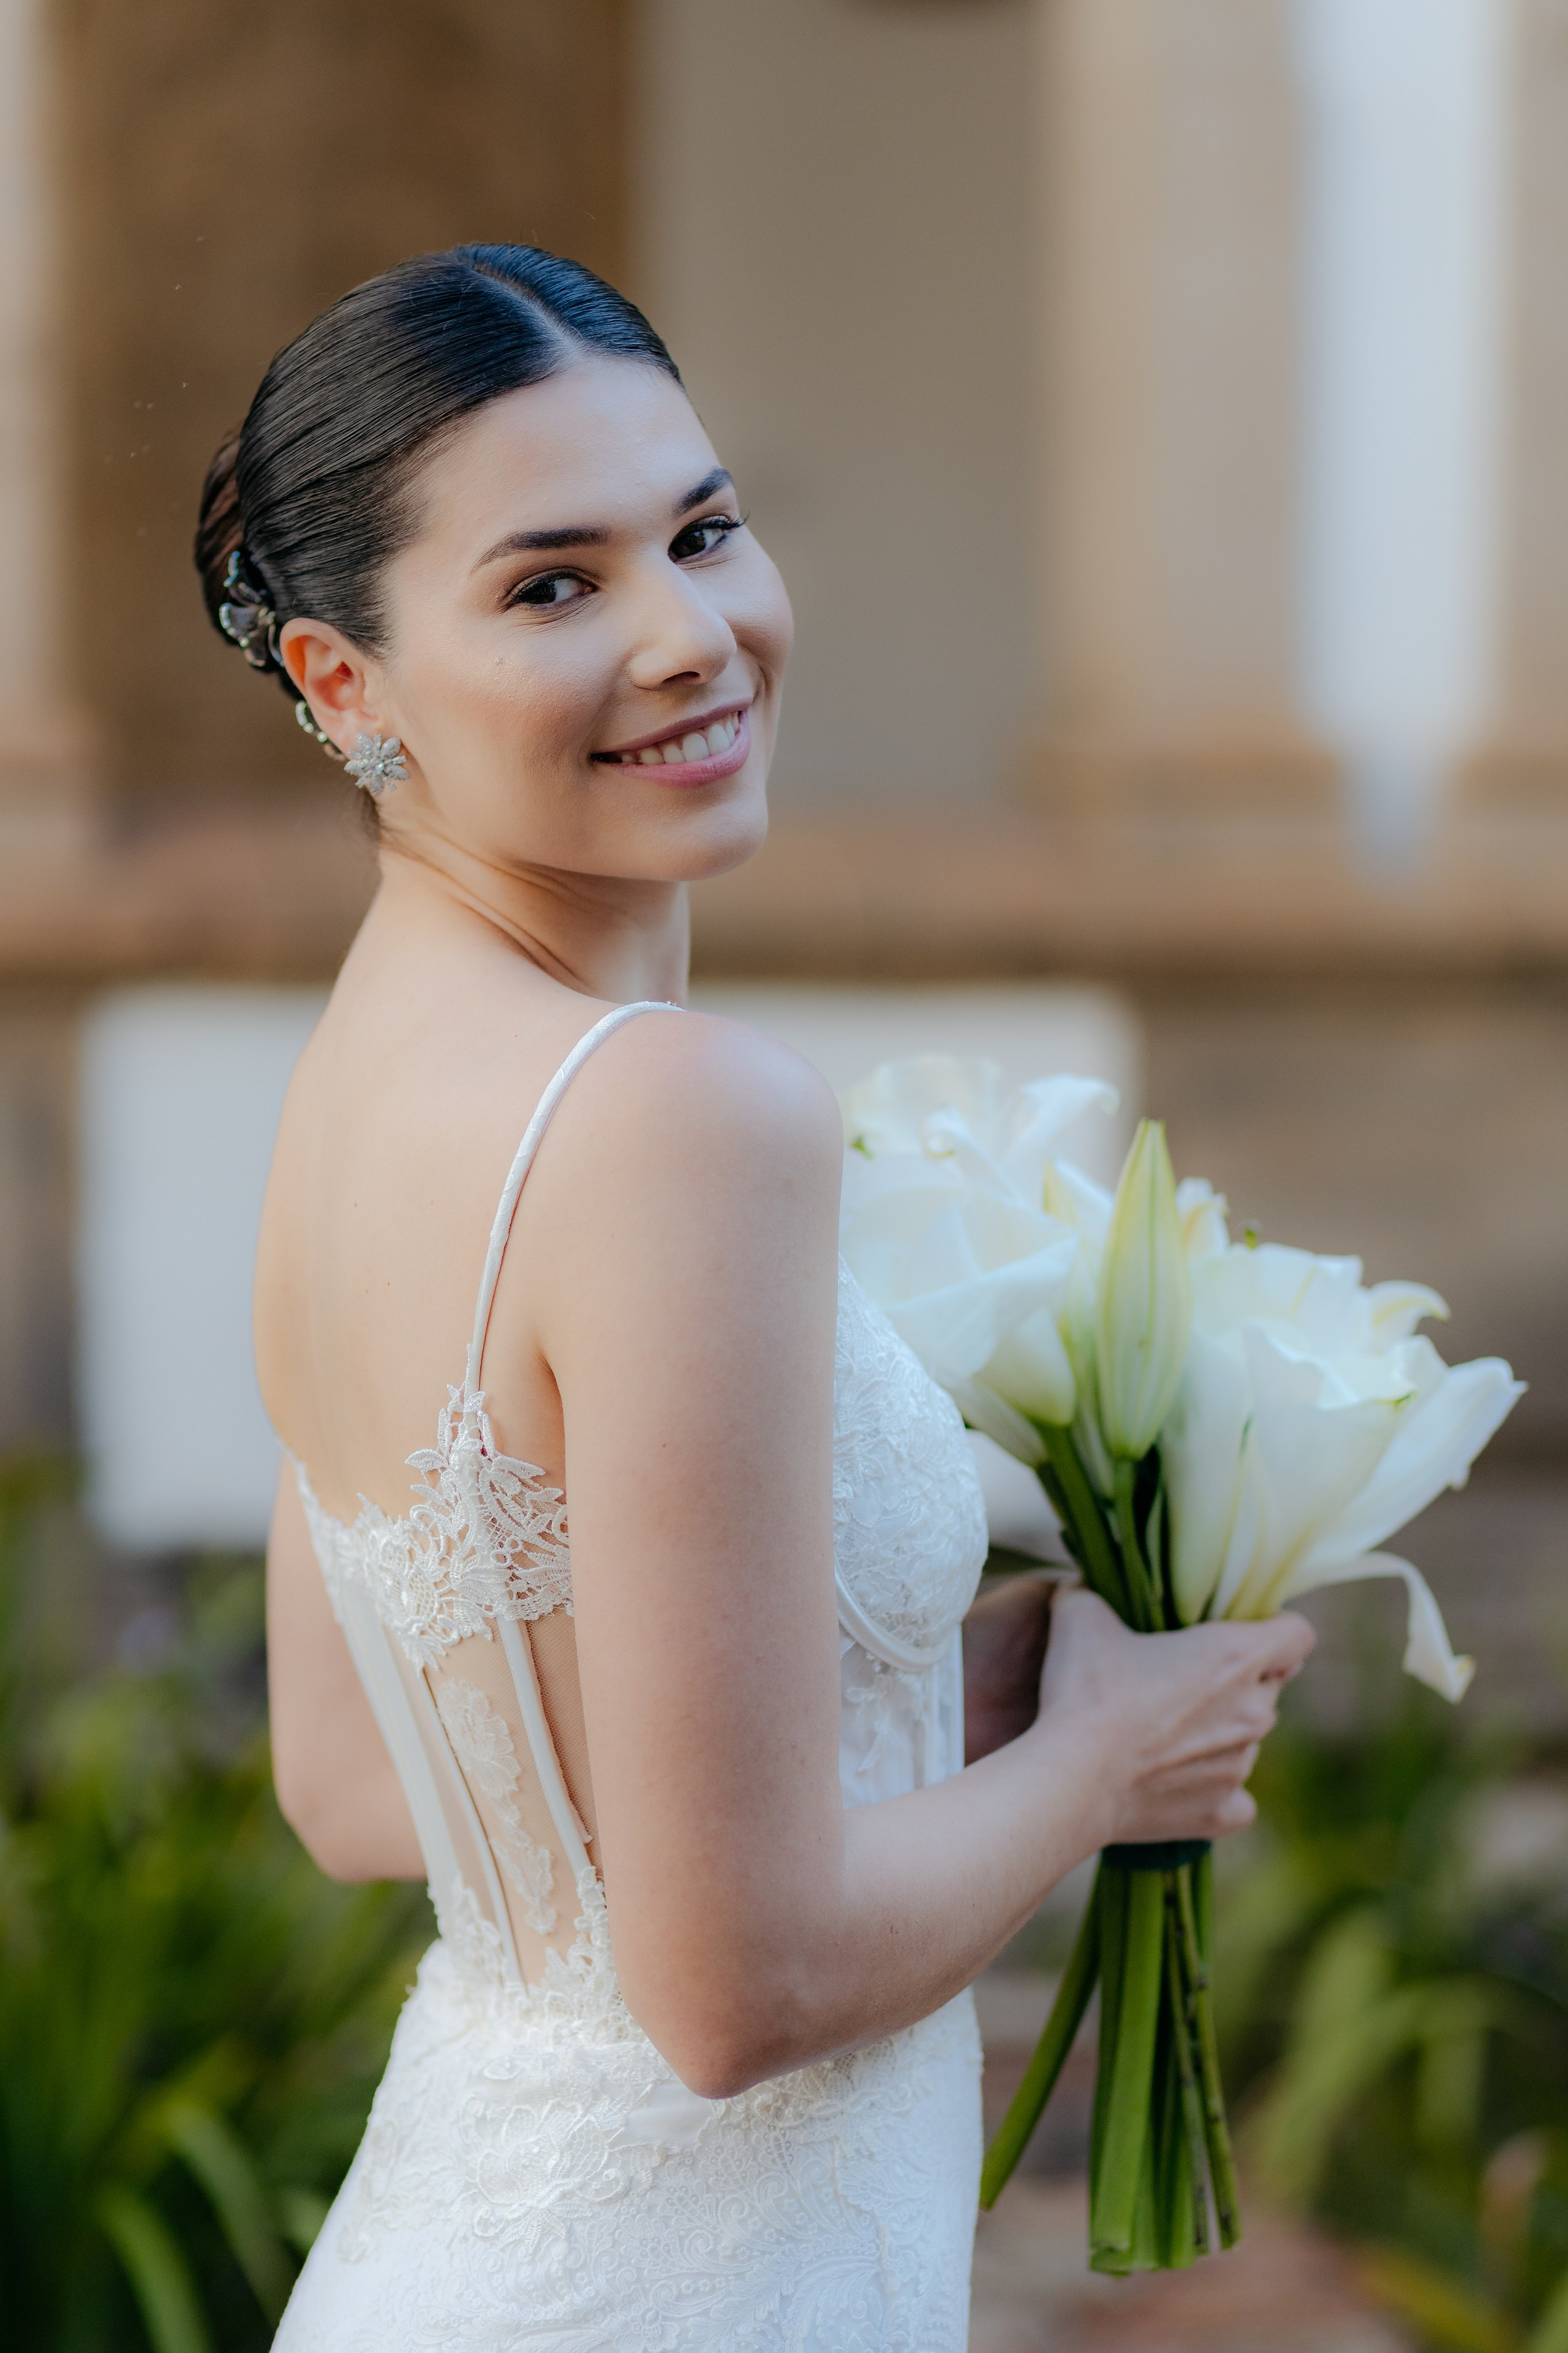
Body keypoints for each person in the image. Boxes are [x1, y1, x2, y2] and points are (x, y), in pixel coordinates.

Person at [198, 244, 1311, 2352]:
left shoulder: (352, 1086)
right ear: (346, 684)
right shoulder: (673, 1116)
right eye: (553, 585)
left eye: (702, 532)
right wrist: (1109, 1757)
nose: (687, 636)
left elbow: (363, 1783)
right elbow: (737, 1988)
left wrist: (922, 1695)